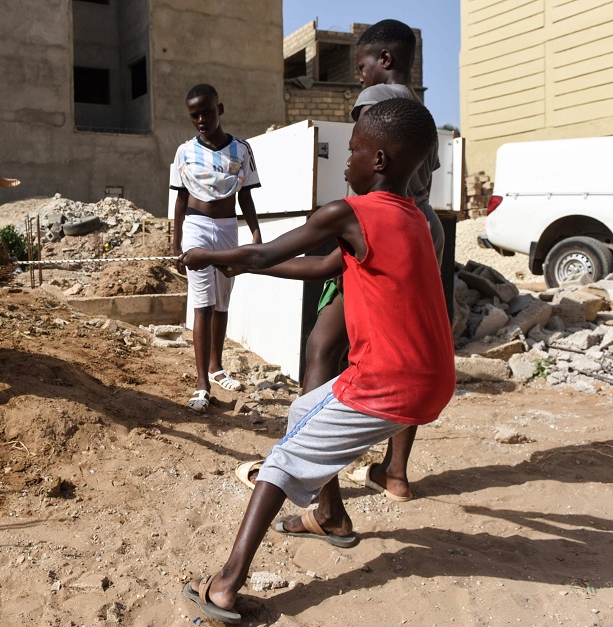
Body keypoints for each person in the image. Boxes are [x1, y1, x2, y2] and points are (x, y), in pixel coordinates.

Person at [179, 97, 456, 623]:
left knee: (281, 461)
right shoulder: (415, 220)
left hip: (388, 383)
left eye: (352, 152)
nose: (345, 162)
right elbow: (321, 266)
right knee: (304, 409)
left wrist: (210, 257)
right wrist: (244, 269)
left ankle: (224, 586)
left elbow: (265, 252)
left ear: (377, 160)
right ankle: (330, 516)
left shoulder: (350, 213)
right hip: (430, 380)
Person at [237, 21, 444, 542]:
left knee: (322, 350)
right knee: (380, 344)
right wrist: (236, 262)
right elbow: (315, 264)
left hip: (372, 236)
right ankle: (383, 478)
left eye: (350, 149)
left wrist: (222, 256)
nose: (360, 78)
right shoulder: (423, 143)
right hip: (410, 249)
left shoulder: (377, 109)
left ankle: (230, 577)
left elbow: (276, 252)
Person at [170, 83, 262, 412]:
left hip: (226, 229)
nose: (201, 119)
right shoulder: (184, 152)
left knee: (222, 299)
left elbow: (246, 195)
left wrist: (255, 233)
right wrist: (175, 240)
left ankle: (216, 367)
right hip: (195, 226)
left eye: (206, 112)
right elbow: (180, 198)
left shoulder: (241, 149)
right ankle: (201, 384)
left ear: (219, 110)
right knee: (202, 302)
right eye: (194, 115)